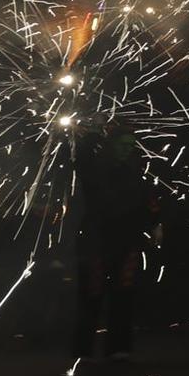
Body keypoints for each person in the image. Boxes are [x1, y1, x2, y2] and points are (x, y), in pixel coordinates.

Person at [70, 120, 158, 362]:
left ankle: (118, 347)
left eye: (131, 144)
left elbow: (146, 201)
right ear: (112, 144)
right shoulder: (97, 167)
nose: (127, 148)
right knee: (92, 294)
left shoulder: (133, 170)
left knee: (123, 293)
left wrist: (153, 222)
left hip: (125, 240)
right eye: (123, 144)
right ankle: (83, 350)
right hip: (96, 240)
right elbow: (82, 164)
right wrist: (89, 138)